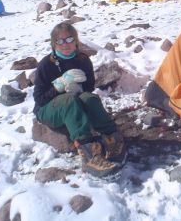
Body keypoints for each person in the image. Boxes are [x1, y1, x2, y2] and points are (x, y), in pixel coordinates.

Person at [33, 22, 126, 178]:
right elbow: (39, 99)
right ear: (53, 43)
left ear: (75, 40)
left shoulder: (82, 60)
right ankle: (89, 155)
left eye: (69, 39)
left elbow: (88, 88)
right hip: (47, 110)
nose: (65, 44)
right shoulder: (46, 64)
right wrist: (58, 86)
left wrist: (80, 89)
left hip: (72, 103)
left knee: (90, 98)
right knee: (69, 100)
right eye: (60, 41)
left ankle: (112, 138)